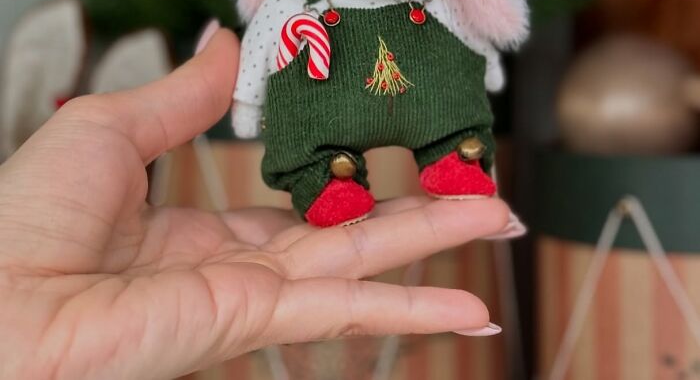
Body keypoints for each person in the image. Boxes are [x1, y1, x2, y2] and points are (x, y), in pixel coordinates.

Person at [0, 27, 512, 379]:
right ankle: (329, 178)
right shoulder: (293, 10)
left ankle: (447, 152)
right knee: (319, 158)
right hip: (317, 117)